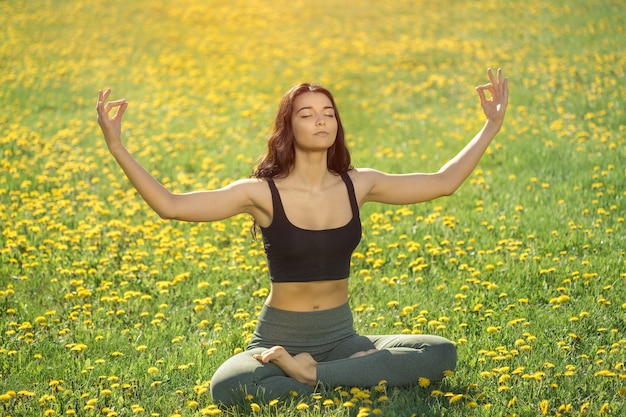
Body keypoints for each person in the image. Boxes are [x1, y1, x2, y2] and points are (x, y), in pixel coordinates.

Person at [96, 68, 508, 407]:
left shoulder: (359, 184)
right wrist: (117, 147)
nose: (321, 120)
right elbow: (172, 206)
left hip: (343, 337)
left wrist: (491, 126)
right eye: (307, 114)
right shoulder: (260, 193)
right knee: (229, 387)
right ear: (288, 127)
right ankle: (355, 374)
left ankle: (315, 375)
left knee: (440, 352)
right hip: (279, 340)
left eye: (328, 112)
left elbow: (444, 182)